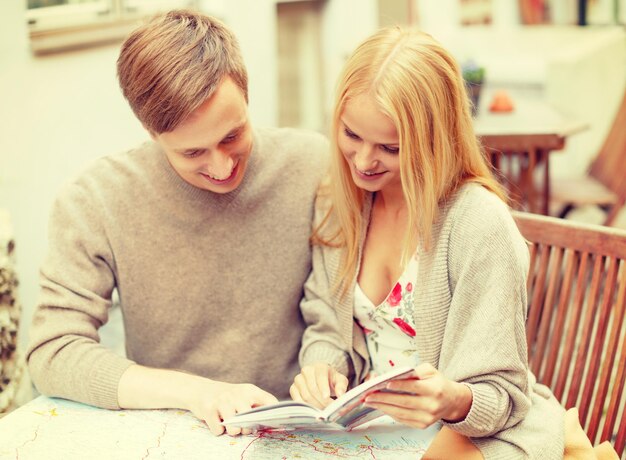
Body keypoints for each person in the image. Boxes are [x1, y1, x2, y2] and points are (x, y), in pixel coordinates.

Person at [26, 10, 328, 437]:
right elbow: (53, 351)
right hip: (172, 431)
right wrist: (195, 393)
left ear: (246, 95)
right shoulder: (94, 200)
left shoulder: (312, 164)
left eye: (232, 136)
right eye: (192, 153)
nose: (221, 167)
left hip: (296, 429)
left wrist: (323, 371)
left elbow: (333, 312)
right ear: (151, 132)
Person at [289, 26, 565, 458]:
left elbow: (503, 395)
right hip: (372, 434)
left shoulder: (477, 223)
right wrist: (320, 368)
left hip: (473, 438)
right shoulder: (339, 201)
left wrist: (451, 400)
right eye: (351, 135)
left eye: (390, 147)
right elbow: (325, 320)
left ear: (432, 140)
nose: (363, 161)